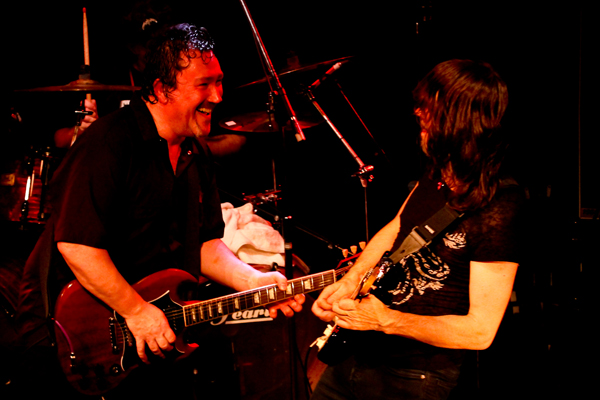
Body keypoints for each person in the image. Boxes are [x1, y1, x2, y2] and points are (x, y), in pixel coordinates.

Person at [11, 23, 303, 399]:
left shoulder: (194, 153)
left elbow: (202, 243)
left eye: (219, 82)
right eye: (204, 84)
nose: (218, 96)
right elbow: (77, 246)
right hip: (68, 334)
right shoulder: (109, 144)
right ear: (163, 89)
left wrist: (252, 280)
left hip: (140, 334)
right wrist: (135, 310)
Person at [311, 59, 524, 399]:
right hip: (358, 352)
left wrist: (385, 320)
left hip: (415, 375)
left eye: (429, 107)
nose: (418, 113)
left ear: (458, 117)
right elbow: (397, 227)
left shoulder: (501, 204)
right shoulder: (439, 172)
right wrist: (350, 282)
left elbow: (480, 331)